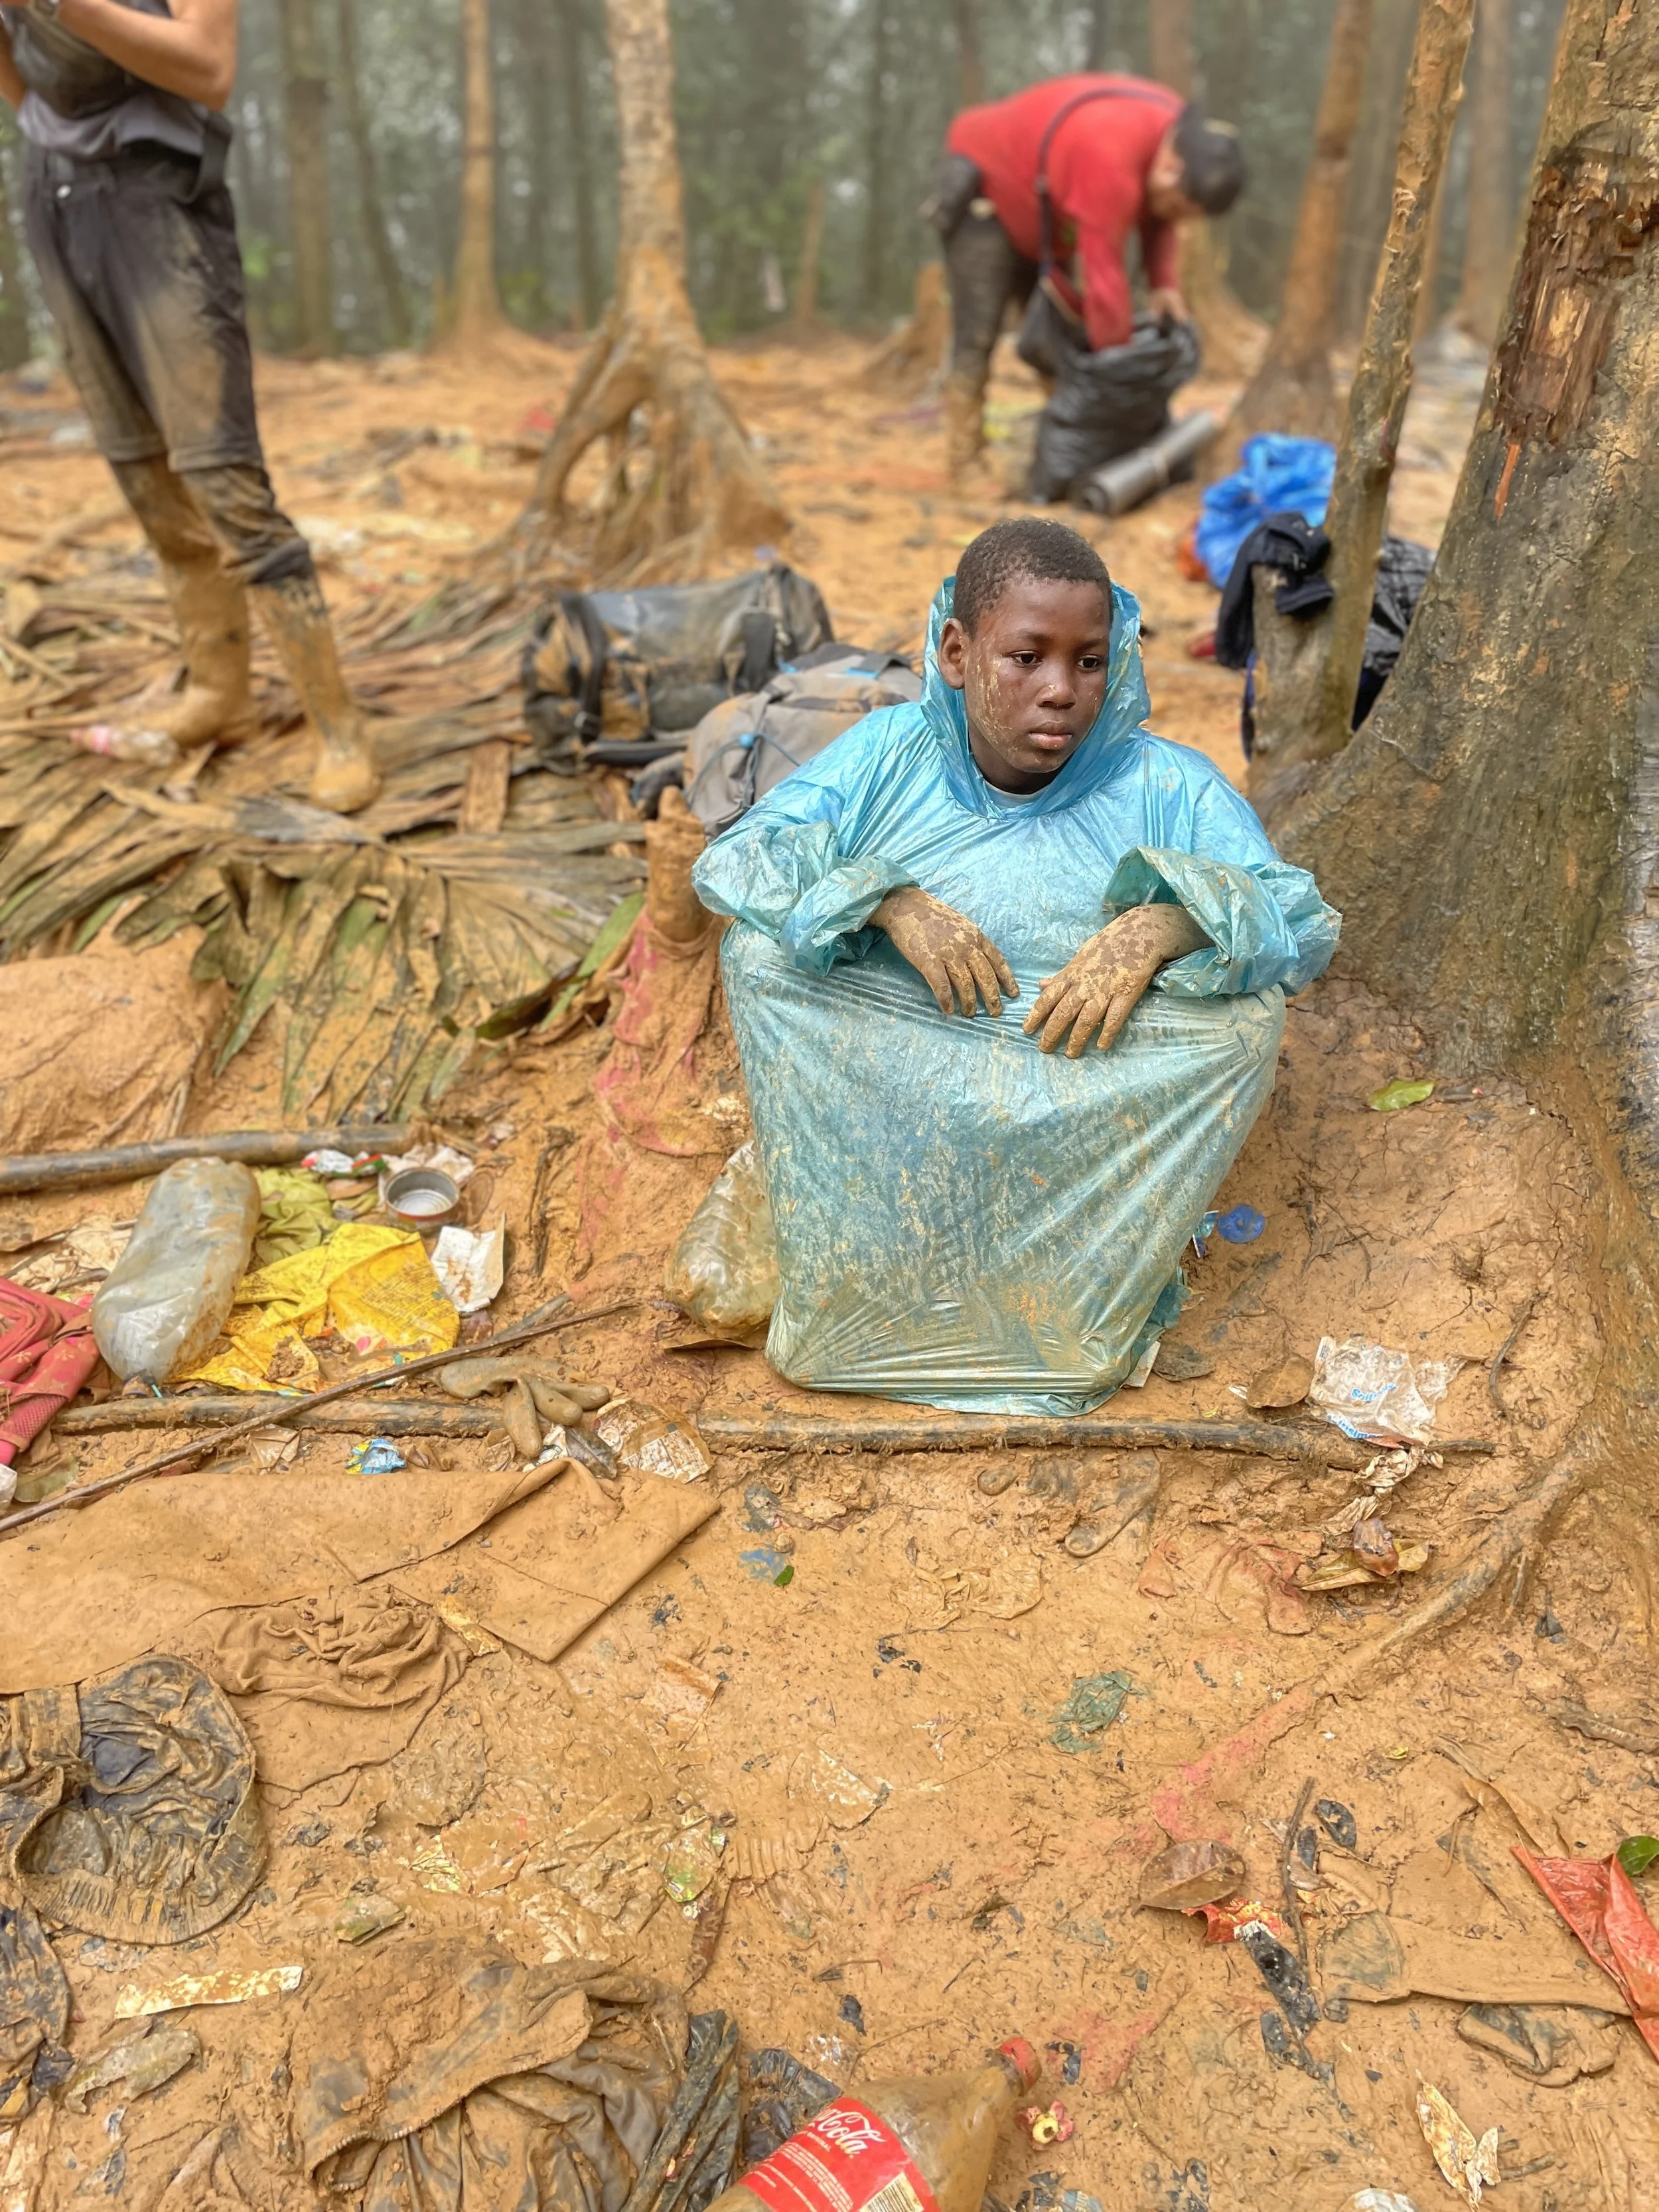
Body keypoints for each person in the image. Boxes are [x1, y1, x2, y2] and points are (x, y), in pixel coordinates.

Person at [690, 518, 1337, 1414]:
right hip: (906, 1095)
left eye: (1087, 661)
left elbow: (1300, 920)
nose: (1060, 691)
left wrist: (1168, 922)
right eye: (1026, 657)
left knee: (1245, 1016)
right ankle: (867, 1260)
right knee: (763, 955)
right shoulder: (889, 757)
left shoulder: (1166, 785)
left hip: (1077, 1088)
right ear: (957, 652)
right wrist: (885, 897)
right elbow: (738, 863)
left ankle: (1073, 1292)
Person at [0, 0, 380, 810]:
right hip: (55, 197)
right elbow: (19, 78)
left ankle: (339, 726)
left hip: (157, 199)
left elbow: (208, 68)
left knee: (220, 475)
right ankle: (220, 689)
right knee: (143, 469)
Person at [929, 75, 1246, 480]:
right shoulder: (1109, 155)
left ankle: (1067, 443)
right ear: (1170, 168)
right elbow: (1104, 281)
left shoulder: (1171, 133)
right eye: (1178, 205)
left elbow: (1159, 215)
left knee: (1057, 340)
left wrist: (1164, 283)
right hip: (988, 197)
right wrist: (1118, 375)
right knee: (978, 335)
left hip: (1044, 217)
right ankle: (964, 460)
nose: (1176, 218)